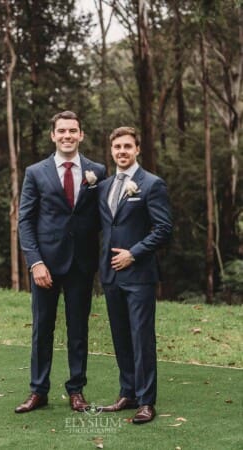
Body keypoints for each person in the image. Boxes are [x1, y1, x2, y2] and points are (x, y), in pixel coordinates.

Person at [15, 111, 106, 414]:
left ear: (81, 135)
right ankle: (38, 390)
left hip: (81, 264)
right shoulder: (35, 172)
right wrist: (35, 262)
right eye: (62, 131)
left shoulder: (98, 171)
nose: (67, 136)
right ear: (53, 135)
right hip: (46, 266)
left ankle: (76, 390)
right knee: (43, 328)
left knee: (78, 329)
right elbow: (25, 221)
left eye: (73, 131)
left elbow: (104, 219)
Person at [97, 126, 172, 424]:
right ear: (112, 151)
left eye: (128, 146)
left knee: (141, 338)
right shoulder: (104, 186)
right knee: (120, 336)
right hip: (110, 275)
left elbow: (164, 229)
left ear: (137, 149)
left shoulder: (152, 184)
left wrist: (134, 253)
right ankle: (127, 393)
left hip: (139, 274)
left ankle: (146, 401)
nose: (122, 151)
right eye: (117, 147)